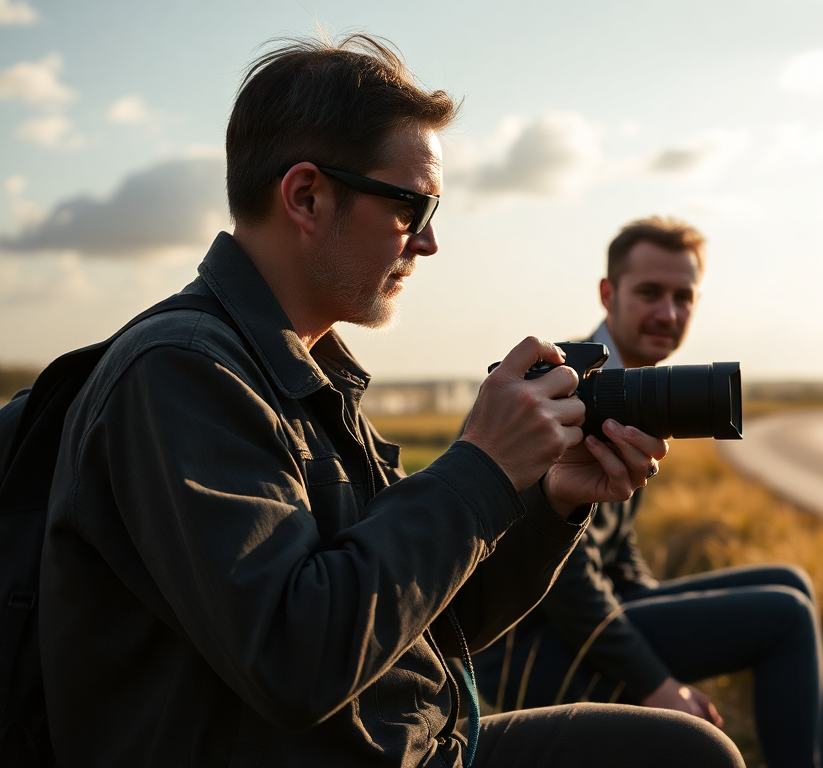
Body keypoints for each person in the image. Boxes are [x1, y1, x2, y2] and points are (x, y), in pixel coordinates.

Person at [38, 36, 743, 768]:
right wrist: (481, 468)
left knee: (686, 751)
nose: (431, 241)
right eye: (412, 205)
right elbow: (294, 658)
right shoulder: (180, 376)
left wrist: (552, 501)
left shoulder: (305, 373)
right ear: (306, 196)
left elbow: (431, 616)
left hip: (408, 744)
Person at [474, 217, 823, 768]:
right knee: (783, 617)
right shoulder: (564, 389)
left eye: (683, 297)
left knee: (793, 583)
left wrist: (671, 611)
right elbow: (568, 583)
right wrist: (658, 683)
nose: (668, 313)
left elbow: (616, 551)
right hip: (527, 644)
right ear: (609, 293)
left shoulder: (633, 384)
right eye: (650, 293)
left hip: (583, 618)